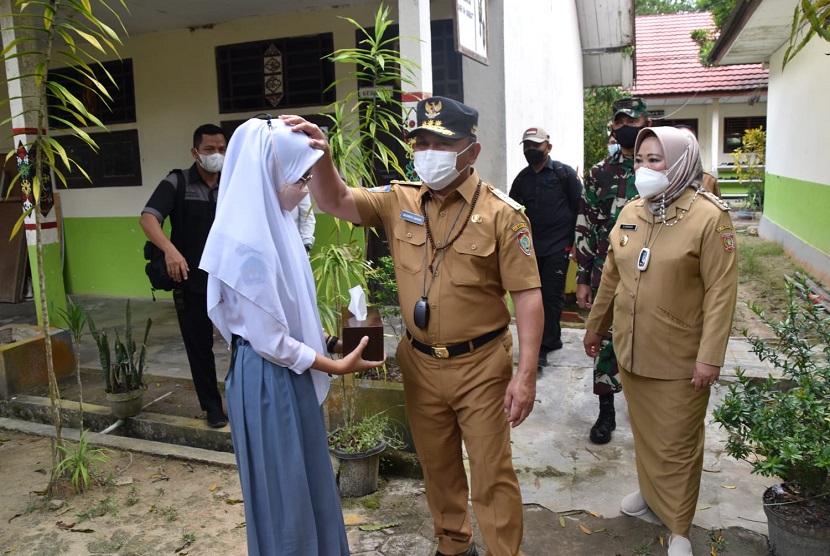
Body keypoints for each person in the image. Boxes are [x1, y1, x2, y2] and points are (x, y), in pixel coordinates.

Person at [284, 96, 543, 556]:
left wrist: (525, 375)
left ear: (472, 150)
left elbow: (527, 296)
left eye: (440, 142)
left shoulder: (504, 214)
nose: (427, 151)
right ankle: (453, 545)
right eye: (420, 141)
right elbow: (335, 199)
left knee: (490, 471)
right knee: (437, 464)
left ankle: (505, 551)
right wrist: (321, 155)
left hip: (481, 363)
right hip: (420, 363)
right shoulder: (397, 199)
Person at [199, 117, 384, 555]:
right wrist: (335, 365)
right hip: (269, 380)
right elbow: (270, 340)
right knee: (286, 498)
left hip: (286, 374)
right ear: (268, 172)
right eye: (298, 177)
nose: (304, 189)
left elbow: (285, 314)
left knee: (308, 486)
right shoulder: (246, 245)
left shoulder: (274, 224)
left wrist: (329, 341)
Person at [582, 126, 738, 556]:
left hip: (681, 357)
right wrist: (595, 326)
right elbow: (611, 273)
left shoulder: (709, 217)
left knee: (679, 445)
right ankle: (651, 496)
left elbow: (722, 292)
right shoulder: (634, 210)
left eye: (655, 160)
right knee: (648, 434)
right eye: (639, 160)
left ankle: (680, 528)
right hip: (633, 349)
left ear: (681, 160)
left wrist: (710, 358)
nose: (644, 169)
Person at [140, 124, 229, 428]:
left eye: (221, 149)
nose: (216, 155)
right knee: (199, 345)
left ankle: (240, 396)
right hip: (191, 281)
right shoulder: (177, 181)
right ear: (195, 152)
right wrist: (169, 250)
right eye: (209, 150)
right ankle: (212, 407)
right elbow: (148, 218)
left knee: (244, 341)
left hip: (230, 279)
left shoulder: (232, 183)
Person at [574, 97, 651, 445]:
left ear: (645, 121)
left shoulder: (660, 168)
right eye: (619, 122)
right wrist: (582, 278)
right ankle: (606, 413)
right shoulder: (598, 173)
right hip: (607, 272)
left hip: (652, 274)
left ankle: (648, 411)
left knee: (648, 340)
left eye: (631, 121)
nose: (625, 127)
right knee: (604, 341)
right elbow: (586, 226)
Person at [509, 127, 582, 369]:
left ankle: (543, 346)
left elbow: (579, 210)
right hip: (529, 251)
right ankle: (549, 340)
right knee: (532, 297)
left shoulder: (565, 174)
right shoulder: (522, 179)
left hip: (558, 247)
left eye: (536, 146)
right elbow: (512, 214)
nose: (531, 150)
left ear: (548, 147)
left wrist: (575, 244)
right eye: (527, 146)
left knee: (551, 297)